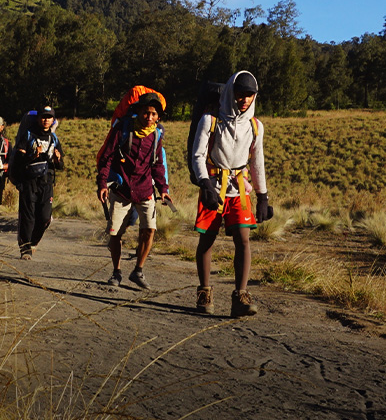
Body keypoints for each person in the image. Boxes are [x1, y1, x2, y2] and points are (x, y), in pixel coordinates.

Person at [190, 71, 273, 317]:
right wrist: (204, 183)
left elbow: (258, 163)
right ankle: (204, 292)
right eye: (240, 94)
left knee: (243, 240)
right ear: (230, 92)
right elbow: (197, 155)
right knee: (207, 239)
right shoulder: (210, 119)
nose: (244, 100)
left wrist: (263, 196)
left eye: (249, 95)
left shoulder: (256, 126)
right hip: (213, 187)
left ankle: (241, 296)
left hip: (239, 189)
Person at [96, 92, 171, 289]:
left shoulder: (156, 135)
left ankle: (138, 270)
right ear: (138, 112)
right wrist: (103, 184)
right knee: (115, 234)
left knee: (149, 230)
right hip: (122, 190)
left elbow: (157, 165)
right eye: (146, 113)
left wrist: (163, 188)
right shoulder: (122, 129)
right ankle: (116, 271)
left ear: (158, 117)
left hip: (145, 189)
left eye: (154, 114)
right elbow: (106, 158)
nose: (149, 117)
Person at [11, 105, 64, 260]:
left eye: (49, 117)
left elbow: (60, 166)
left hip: (46, 182)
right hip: (29, 181)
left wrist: (58, 160)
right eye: (43, 117)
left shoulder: (54, 139)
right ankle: (25, 248)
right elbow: (19, 160)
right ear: (38, 118)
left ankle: (34, 242)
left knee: (45, 217)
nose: (46, 120)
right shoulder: (27, 135)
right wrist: (32, 156)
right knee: (27, 216)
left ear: (53, 120)